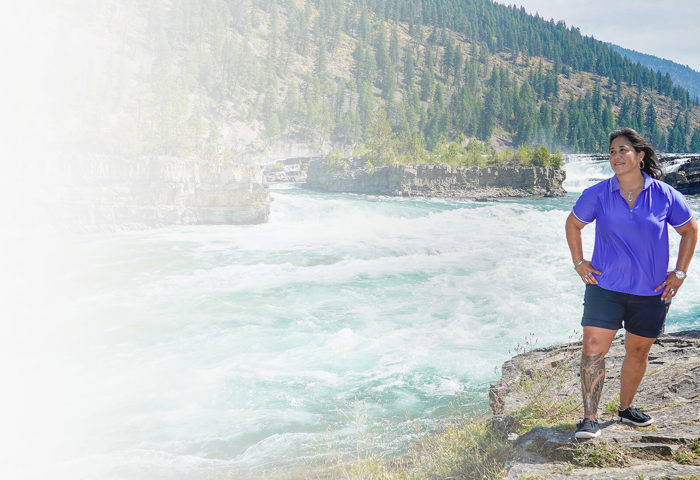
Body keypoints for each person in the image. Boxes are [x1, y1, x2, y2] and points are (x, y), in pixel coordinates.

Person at [565, 128, 698, 439]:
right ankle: (589, 418)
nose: (615, 156)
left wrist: (679, 273)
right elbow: (573, 224)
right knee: (593, 349)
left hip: (650, 291)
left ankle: (625, 410)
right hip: (604, 288)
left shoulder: (665, 195)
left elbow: (690, 231)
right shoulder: (597, 193)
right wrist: (579, 262)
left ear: (640, 156)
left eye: (622, 150)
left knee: (638, 352)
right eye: (612, 151)